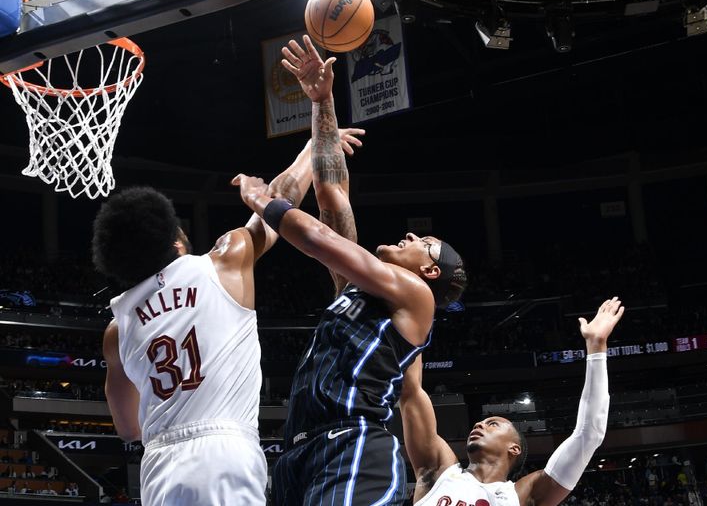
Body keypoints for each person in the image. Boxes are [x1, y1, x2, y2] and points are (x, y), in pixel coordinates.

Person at [232, 36, 467, 505]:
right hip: (299, 453)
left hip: (355, 444)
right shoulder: (362, 290)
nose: (411, 237)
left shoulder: (415, 298)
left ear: (431, 273)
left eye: (424, 245)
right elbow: (331, 190)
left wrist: (263, 200)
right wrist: (321, 102)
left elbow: (318, 240)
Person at [94, 129, 363, 506]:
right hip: (223, 451)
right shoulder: (223, 260)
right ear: (175, 243)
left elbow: (127, 427)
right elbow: (278, 203)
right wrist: (314, 146)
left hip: (158, 464)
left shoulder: (116, 326)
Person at [398, 297, 624, 506]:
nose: (478, 425)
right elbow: (411, 392)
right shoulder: (439, 470)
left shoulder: (523, 495)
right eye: (482, 423)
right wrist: (413, 308)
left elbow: (589, 434)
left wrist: (596, 347)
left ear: (514, 448)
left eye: (492, 424)